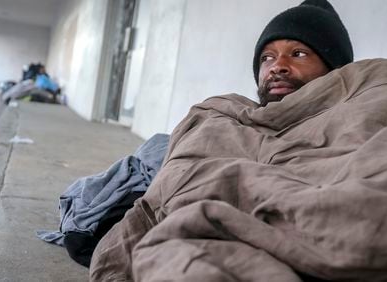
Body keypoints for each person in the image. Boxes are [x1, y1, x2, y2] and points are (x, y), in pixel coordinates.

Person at [89, 0, 355, 281]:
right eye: (267, 57)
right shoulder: (224, 116)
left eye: (298, 54)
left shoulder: (352, 120)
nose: (278, 66)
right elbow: (155, 204)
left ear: (334, 69)